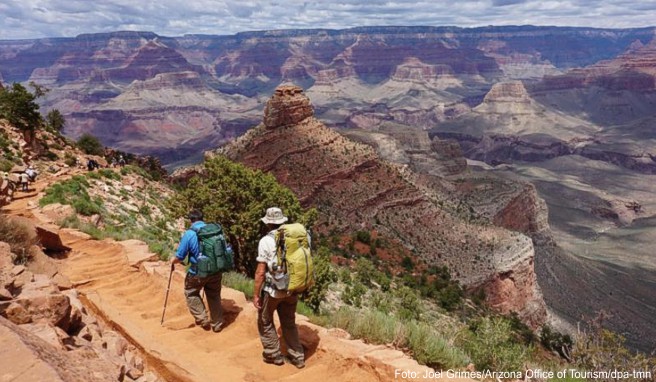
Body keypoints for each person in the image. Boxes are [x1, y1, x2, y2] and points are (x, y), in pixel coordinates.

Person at [253, 207, 305, 368]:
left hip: (273, 290)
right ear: (283, 221)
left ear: (268, 223)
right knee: (289, 322)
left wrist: (256, 295)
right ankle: (297, 356)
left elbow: (260, 272)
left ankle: (273, 354)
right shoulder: (295, 238)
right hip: (292, 288)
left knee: (265, 320)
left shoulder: (266, 241)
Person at [170, 209, 223, 332]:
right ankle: (218, 323)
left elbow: (180, 256)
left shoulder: (189, 234)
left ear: (191, 220)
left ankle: (202, 318)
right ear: (202, 218)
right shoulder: (214, 231)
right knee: (214, 295)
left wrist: (173, 261)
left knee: (191, 292)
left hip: (198, 271)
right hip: (216, 270)